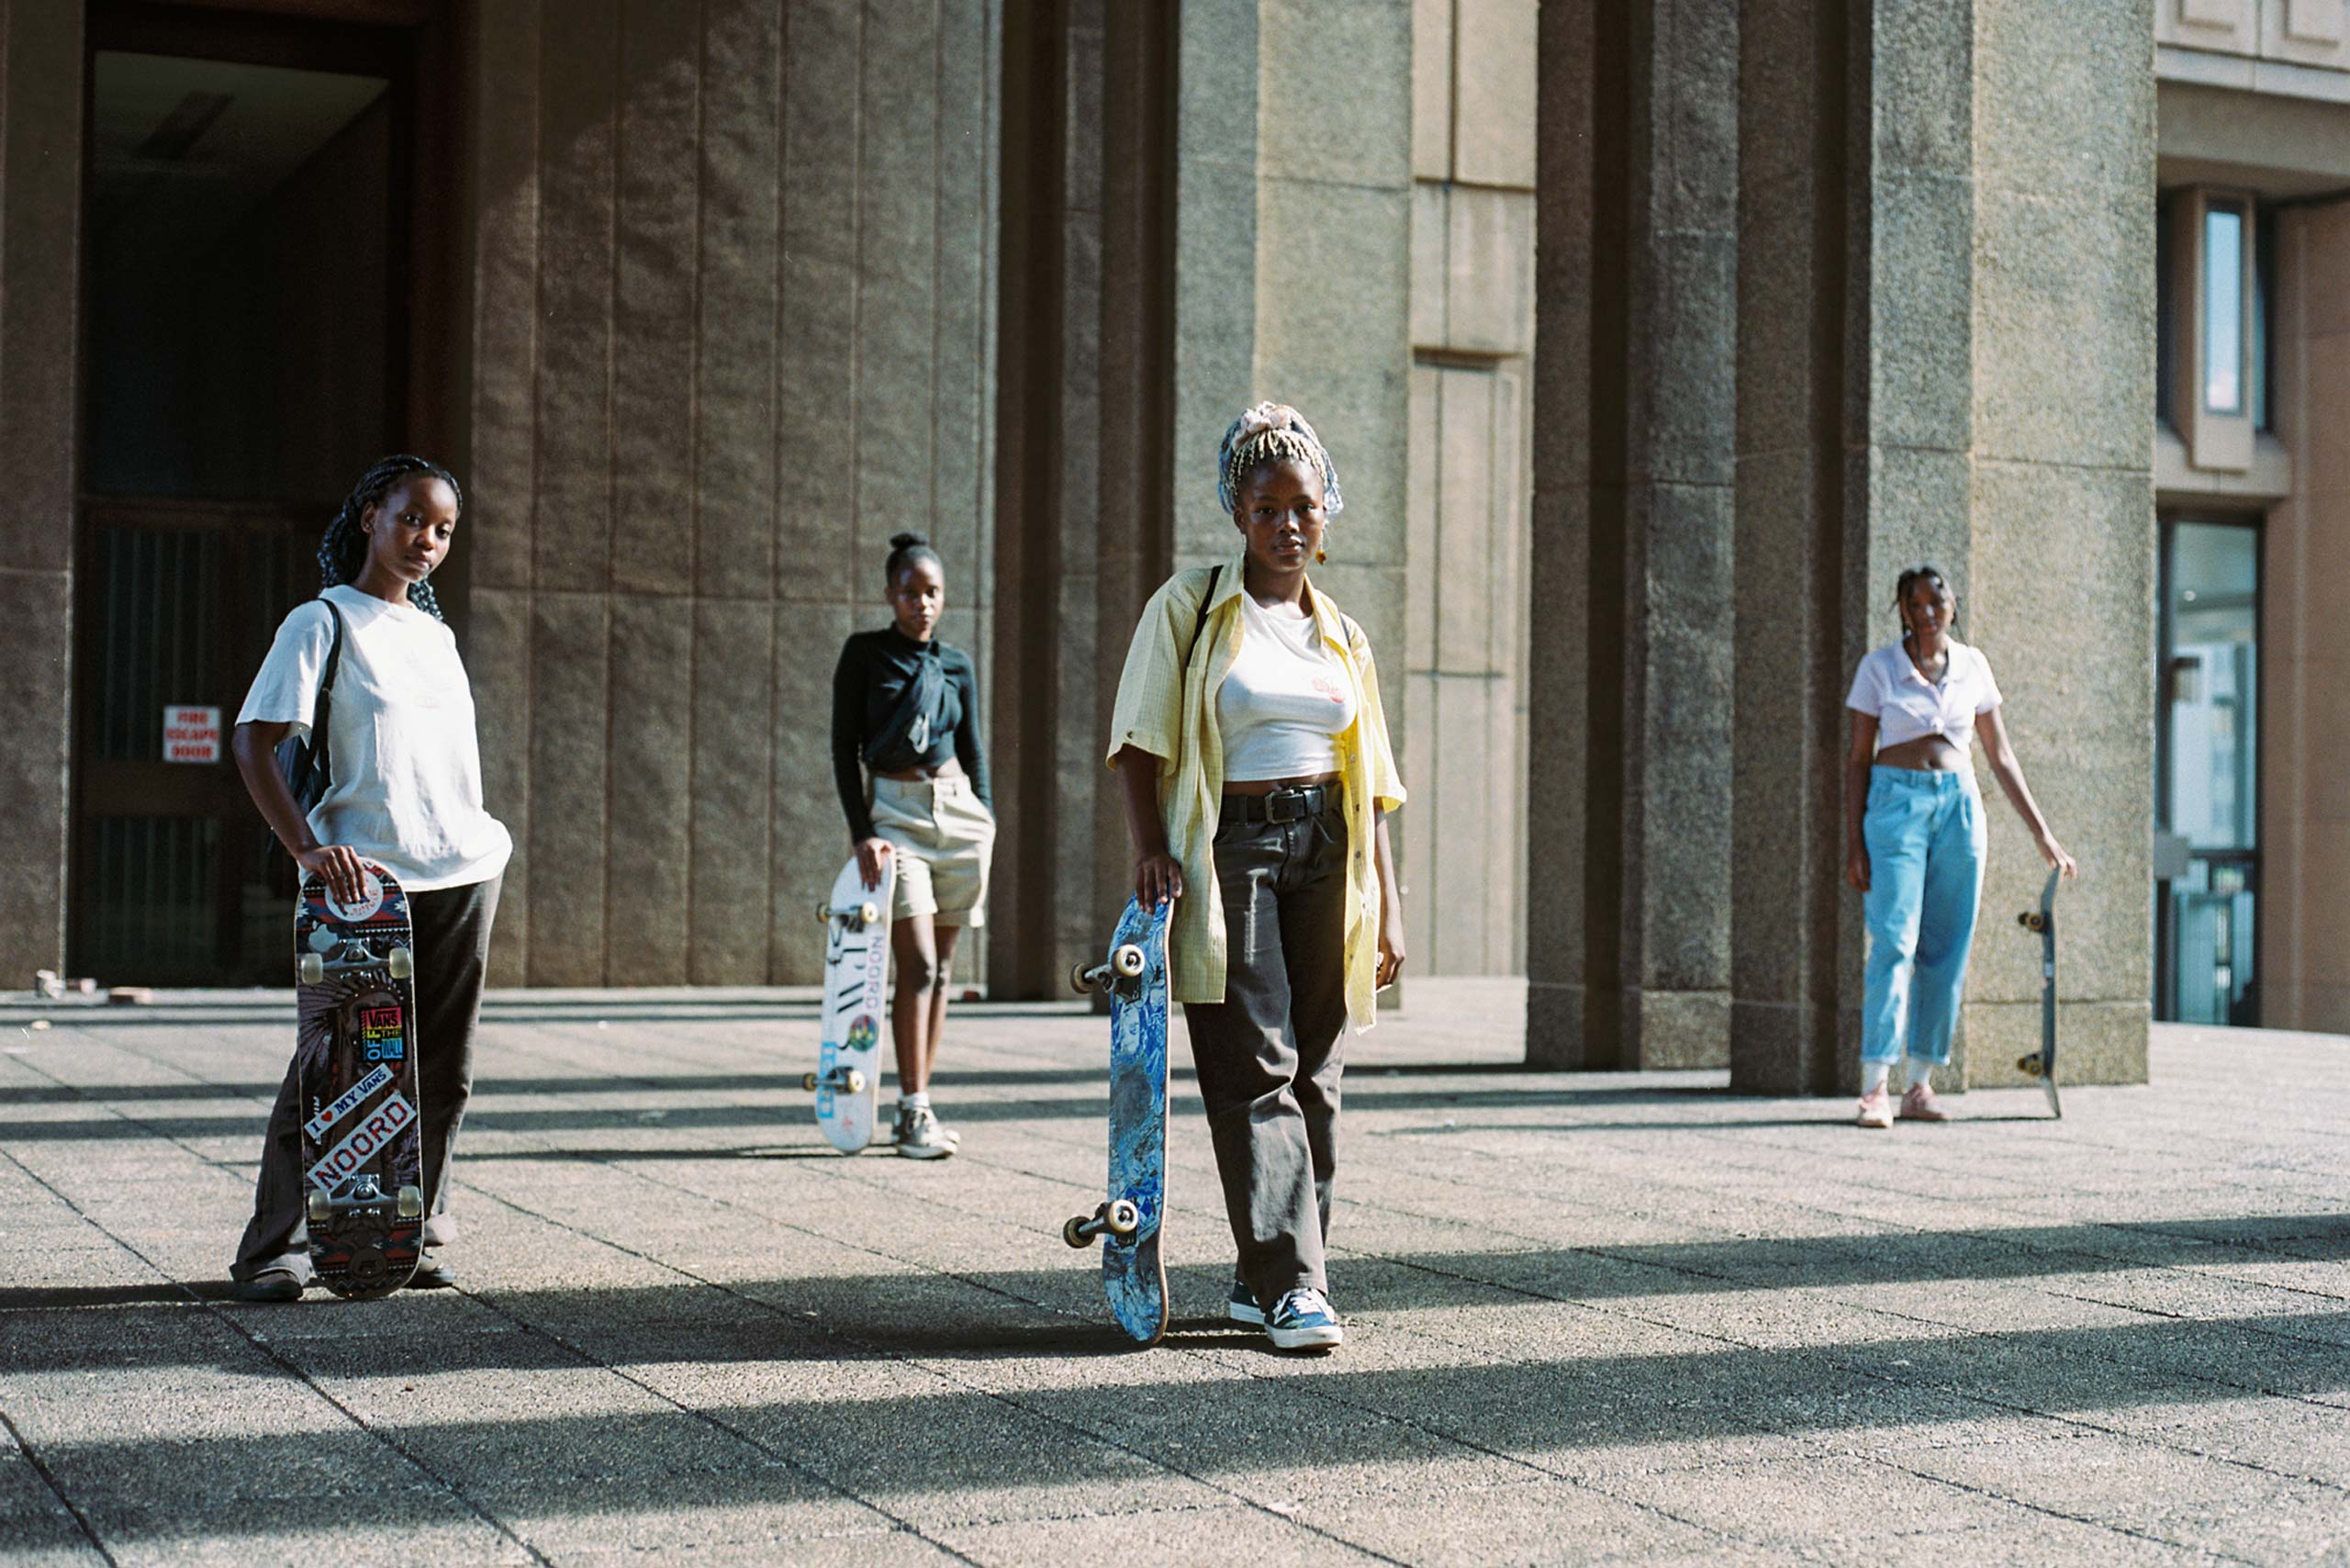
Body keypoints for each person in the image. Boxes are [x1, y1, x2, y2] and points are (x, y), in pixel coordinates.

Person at [1107, 401, 1406, 1351]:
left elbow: (1375, 786)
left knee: (1318, 1067)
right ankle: (1293, 1286)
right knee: (1257, 1066)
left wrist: (1388, 907)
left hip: (1330, 847)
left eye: (1304, 507)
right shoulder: (1191, 608)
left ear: (1326, 516)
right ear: (1237, 512)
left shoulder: (1343, 637)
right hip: (1230, 849)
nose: (1287, 523)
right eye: (1268, 505)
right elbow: (1135, 743)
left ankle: (1261, 1274)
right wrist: (1150, 847)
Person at [227, 455, 511, 1300]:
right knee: (331, 1068)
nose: (427, 541)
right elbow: (254, 743)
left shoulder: (437, 636)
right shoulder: (321, 623)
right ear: (368, 519)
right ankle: (269, 1250)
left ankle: (409, 1232)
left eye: (444, 530)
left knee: (442, 1069)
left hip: (464, 868)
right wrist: (307, 848)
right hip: (368, 887)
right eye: (412, 520)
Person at [1842, 565, 2076, 1129]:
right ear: (1902, 608)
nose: (1927, 611)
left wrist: (2042, 834)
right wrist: (1853, 841)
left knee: (1946, 947)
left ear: (1953, 605)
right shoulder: (1879, 668)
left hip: (1960, 807)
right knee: (1894, 941)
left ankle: (1919, 1083)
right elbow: (1856, 759)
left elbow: (2000, 755)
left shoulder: (1973, 665)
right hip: (1895, 806)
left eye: (1936, 600)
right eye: (1915, 602)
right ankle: (1875, 1086)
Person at [831, 532, 995, 1159]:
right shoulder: (865, 655)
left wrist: (986, 814)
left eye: (932, 593)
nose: (921, 604)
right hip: (896, 820)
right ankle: (911, 1109)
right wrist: (864, 832)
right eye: (909, 592)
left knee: (945, 970)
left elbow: (974, 746)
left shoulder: (955, 664)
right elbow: (844, 750)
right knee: (918, 964)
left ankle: (917, 1109)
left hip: (959, 820)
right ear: (890, 594)